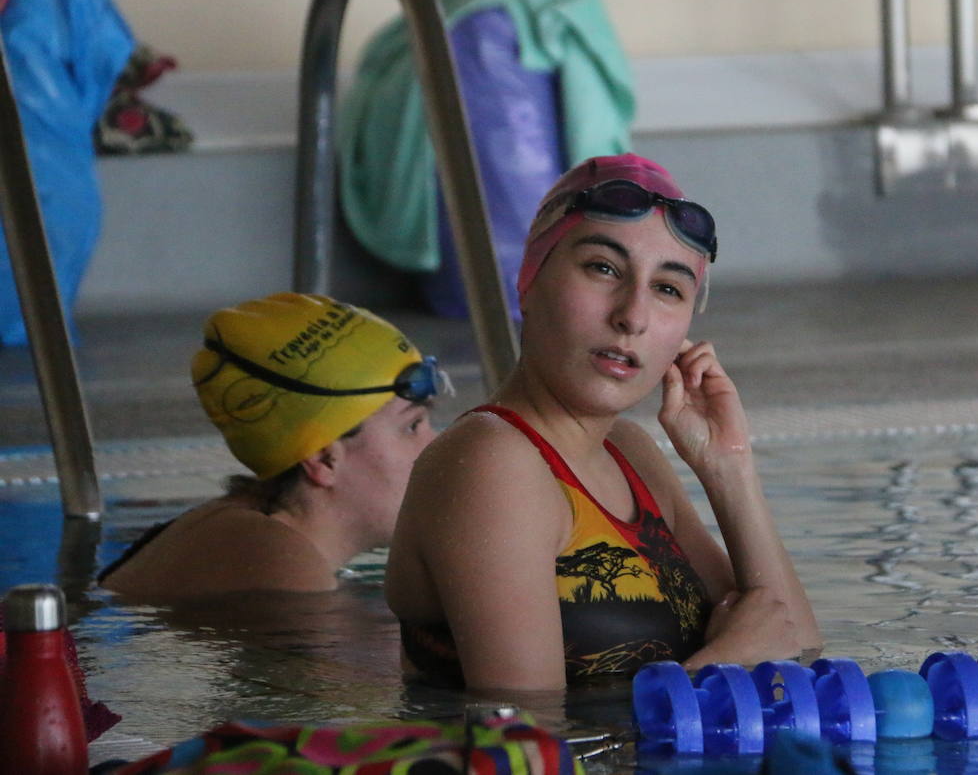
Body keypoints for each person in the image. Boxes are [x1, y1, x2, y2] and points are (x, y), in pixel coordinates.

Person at [386, 153, 821, 692]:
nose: (632, 316)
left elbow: (796, 658)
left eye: (668, 288)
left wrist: (729, 469)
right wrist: (721, 667)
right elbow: (531, 740)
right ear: (529, 278)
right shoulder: (491, 464)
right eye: (603, 268)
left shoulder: (628, 452)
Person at [100, 293, 442, 601]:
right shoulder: (282, 568)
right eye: (412, 426)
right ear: (324, 460)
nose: (437, 445)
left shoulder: (249, 530)